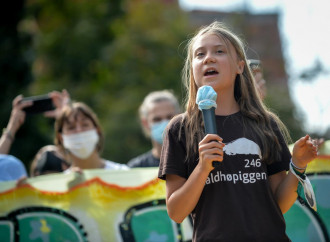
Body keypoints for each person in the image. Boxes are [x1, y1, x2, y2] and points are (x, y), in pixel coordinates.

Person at [158, 21, 318, 241]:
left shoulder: (265, 124)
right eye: (199, 54)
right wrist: (202, 168)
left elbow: (279, 204)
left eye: (219, 51)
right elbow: (176, 212)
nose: (209, 58)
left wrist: (298, 165)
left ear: (240, 67)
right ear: (192, 69)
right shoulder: (179, 129)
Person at [55, 102, 128, 172]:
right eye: (71, 127)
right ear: (61, 138)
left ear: (97, 131)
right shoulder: (59, 183)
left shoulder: (123, 173)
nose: (79, 130)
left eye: (85, 125)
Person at [127, 90, 181, 168]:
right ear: (145, 123)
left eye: (169, 117)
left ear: (180, 117)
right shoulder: (136, 168)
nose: (165, 124)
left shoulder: (196, 161)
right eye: (157, 119)